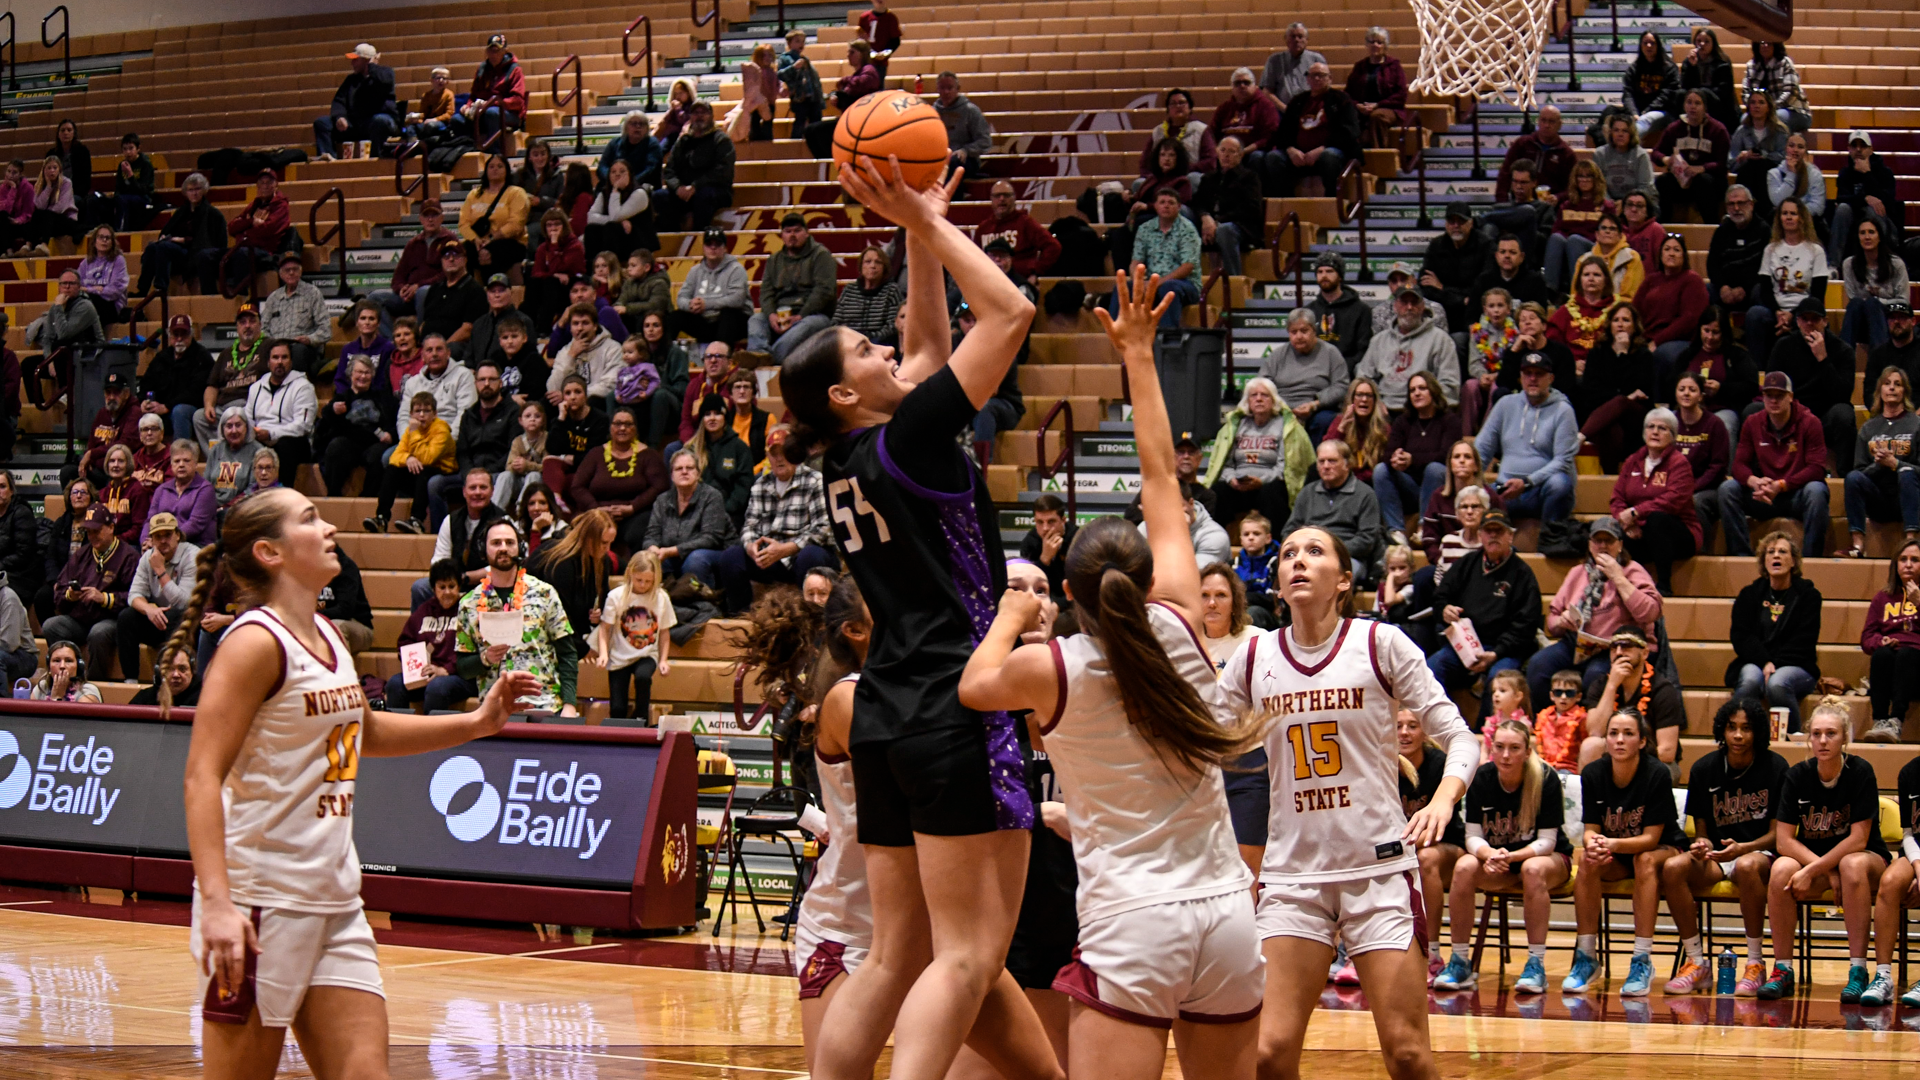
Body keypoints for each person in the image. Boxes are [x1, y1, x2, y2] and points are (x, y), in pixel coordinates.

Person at [781, 153, 1062, 1080]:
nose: (885, 349)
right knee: (971, 955)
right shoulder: (908, 439)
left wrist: (916, 229)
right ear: (844, 396)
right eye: (865, 353)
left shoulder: (847, 461)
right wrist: (930, 222)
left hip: (888, 711)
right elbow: (1011, 314)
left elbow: (931, 350)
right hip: (958, 706)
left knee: (897, 953)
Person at [959, 291, 1264, 1077]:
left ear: (1070, 593)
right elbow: (1162, 475)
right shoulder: (1186, 622)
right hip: (1228, 914)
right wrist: (1137, 353)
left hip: (1135, 922)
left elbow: (974, 685)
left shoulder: (1053, 666)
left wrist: (1009, 610)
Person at [182, 489, 538, 1071]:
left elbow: (364, 732)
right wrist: (218, 904)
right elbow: (201, 777)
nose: (327, 527)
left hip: (335, 898)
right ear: (270, 551)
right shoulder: (252, 643)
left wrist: (476, 723)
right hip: (258, 902)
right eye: (309, 518)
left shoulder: (328, 633)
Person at [1216, 514, 1475, 1080]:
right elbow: (1200, 744)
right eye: (1287, 554)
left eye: (1314, 551)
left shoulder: (1380, 643)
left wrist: (1441, 802)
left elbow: (1460, 737)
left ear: (1343, 579)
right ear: (1277, 581)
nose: (1298, 560)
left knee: (1407, 1054)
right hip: (1292, 876)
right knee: (1267, 1052)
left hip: (1378, 871)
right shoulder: (1255, 658)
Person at [1655, 696, 1791, 994]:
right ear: (1722, 730)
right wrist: (1701, 845)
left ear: (1758, 732)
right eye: (1732, 727)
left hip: (1760, 854)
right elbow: (1701, 830)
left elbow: (1779, 835)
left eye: (1746, 728)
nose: (1739, 735)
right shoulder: (1705, 768)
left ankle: (1755, 963)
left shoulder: (1776, 767)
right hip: (1719, 857)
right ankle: (1696, 962)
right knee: (1674, 867)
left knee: (1746, 865)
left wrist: (1743, 848)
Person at [1759, 699, 1889, 1001]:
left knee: (1851, 865)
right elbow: (1784, 841)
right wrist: (1825, 870)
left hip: (1867, 861)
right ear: (1808, 738)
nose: (1822, 740)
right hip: (1822, 864)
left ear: (1845, 737)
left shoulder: (1860, 772)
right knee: (1779, 869)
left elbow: (1858, 839)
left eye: (1831, 733)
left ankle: (1858, 970)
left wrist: (1820, 869)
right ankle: (1783, 969)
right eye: (1816, 734)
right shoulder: (1797, 775)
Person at [1432, 719, 1572, 993]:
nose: (1506, 755)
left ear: (1528, 751)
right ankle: (1460, 960)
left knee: (1532, 869)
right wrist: (1490, 854)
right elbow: (1471, 836)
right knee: (1463, 866)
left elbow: (1548, 841)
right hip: (1497, 861)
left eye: (1514, 748)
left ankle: (1536, 964)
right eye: (1500, 747)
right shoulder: (1479, 778)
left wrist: (1512, 856)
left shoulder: (1545, 778)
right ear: (1491, 748)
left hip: (1547, 859)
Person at [1562, 706, 1688, 995]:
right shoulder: (1593, 773)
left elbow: (1650, 838)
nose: (1619, 739)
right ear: (1605, 740)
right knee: (1588, 860)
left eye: (1628, 734)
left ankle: (1641, 959)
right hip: (1617, 851)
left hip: (1663, 848)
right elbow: (1591, 827)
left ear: (1642, 741)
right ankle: (1586, 957)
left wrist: (1612, 843)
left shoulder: (1656, 773)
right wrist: (1594, 842)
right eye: (1613, 733)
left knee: (1643, 860)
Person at [713, 426, 835, 614]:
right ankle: (742, 617)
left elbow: (825, 528)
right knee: (731, 557)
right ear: (768, 457)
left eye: (784, 452)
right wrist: (751, 547)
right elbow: (749, 526)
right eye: (774, 454)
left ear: (795, 454)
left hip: (802, 553)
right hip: (770, 557)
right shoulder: (761, 484)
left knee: (811, 555)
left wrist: (788, 548)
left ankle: (812, 619)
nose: (779, 458)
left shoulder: (814, 480)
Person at [1426, 507, 1540, 695]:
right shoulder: (1467, 563)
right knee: (1431, 670)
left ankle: (1487, 726)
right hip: (1464, 646)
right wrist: (1444, 609)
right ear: (1480, 535)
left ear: (1510, 536)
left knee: (1500, 683)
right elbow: (1440, 596)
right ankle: (1444, 723)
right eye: (1488, 531)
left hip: (1502, 650)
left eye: (1499, 531)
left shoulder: (1523, 575)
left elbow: (1526, 625)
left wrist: (1496, 653)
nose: (1493, 536)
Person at [1721, 369, 1832, 557]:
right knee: (1727, 489)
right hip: (1763, 495)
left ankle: (1811, 558)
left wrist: (1781, 485)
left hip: (1795, 494)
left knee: (1817, 491)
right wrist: (1755, 482)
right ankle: (1741, 556)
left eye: (1779, 395)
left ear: (1790, 397)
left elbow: (1816, 468)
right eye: (1768, 395)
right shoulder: (1752, 422)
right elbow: (1738, 465)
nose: (1773, 400)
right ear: (1762, 397)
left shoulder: (1810, 422)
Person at [1727, 530, 1823, 737]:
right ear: (1764, 561)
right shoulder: (1749, 594)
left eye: (1782, 552)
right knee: (1750, 680)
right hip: (1757, 662)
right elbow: (1741, 636)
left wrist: (1775, 663)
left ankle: (1795, 738)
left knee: (1777, 683)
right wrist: (1765, 661)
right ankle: (1737, 736)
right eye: (1770, 552)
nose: (1776, 556)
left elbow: (1804, 639)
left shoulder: (1808, 596)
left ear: (1793, 562)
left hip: (1797, 664)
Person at [1475, 352, 1578, 523]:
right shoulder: (1505, 404)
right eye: (1528, 374)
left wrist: (1528, 482)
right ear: (1520, 377)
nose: (1533, 379)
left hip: (1541, 490)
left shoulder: (1563, 410)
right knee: (1472, 496)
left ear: (1551, 378)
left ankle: (1550, 537)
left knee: (1560, 483)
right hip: (1505, 488)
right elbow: (1482, 448)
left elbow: (1563, 461)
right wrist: (1473, 482)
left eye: (1539, 374)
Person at [43, 503, 137, 679]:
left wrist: (104, 598)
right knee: (52, 626)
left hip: (110, 620)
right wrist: (71, 595)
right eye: (89, 532)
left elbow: (136, 596)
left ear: (110, 527)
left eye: (97, 530)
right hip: (80, 618)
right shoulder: (82, 554)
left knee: (98, 633)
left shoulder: (128, 556)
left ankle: (93, 684)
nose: (92, 536)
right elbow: (60, 589)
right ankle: (64, 678)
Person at [1612, 408, 1701, 594]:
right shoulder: (1633, 460)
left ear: (1673, 435)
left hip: (1678, 534)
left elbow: (1672, 501)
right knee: (1609, 528)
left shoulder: (1679, 463)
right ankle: (1622, 588)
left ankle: (1664, 586)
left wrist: (1636, 512)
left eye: (1662, 428)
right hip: (1639, 531)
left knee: (1657, 520)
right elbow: (1617, 498)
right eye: (1651, 427)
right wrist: (1627, 523)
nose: (1655, 432)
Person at [568, 406, 669, 553]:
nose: (622, 428)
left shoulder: (648, 455)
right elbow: (577, 487)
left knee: (640, 530)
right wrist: (596, 508)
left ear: (635, 428)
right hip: (597, 512)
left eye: (628, 424)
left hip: (636, 514)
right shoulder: (596, 454)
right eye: (617, 424)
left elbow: (660, 487)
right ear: (610, 428)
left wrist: (632, 507)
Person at [1844, 367, 1920, 559]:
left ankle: (1912, 541)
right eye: (1887, 384)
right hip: (1878, 498)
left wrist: (1896, 464)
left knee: (1906, 472)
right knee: (1851, 478)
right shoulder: (1869, 428)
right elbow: (1859, 473)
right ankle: (1858, 545)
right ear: (1880, 391)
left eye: (1897, 384)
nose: (1892, 388)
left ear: (1905, 392)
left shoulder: (1916, 424)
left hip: (1908, 497)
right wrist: (1879, 464)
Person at [1208, 377, 1301, 534]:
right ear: (1247, 401)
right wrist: (1232, 480)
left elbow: (1284, 466)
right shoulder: (1235, 426)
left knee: (1272, 492)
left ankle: (1277, 544)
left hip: (1267, 485)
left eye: (1264, 395)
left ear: (1274, 401)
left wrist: (1261, 481)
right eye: (1253, 395)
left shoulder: (1285, 427)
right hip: (1239, 485)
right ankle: (1217, 541)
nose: (1258, 399)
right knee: (1218, 491)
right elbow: (1225, 463)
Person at [1376, 372, 1460, 544]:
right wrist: (1395, 460)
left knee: (1434, 469)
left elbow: (1446, 456)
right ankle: (1397, 532)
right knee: (1380, 471)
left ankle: (1425, 527)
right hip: (1411, 488)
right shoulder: (1403, 421)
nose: (1416, 393)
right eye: (1412, 390)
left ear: (1433, 391)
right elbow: (1387, 454)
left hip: (1440, 487)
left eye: (1422, 388)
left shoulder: (1449, 420)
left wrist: (1412, 459)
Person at [116, 510, 199, 684]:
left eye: (167, 535)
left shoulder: (193, 556)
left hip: (188, 623)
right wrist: (149, 609)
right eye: (157, 536)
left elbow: (184, 602)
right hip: (159, 618)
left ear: (178, 535)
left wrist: (160, 571)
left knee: (177, 615)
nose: (163, 541)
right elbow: (134, 595)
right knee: (127, 617)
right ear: (151, 540)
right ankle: (130, 680)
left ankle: (170, 678)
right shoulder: (148, 557)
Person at [1284, 440, 1383, 584]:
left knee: (1336, 576)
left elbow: (1367, 539)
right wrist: (1305, 552)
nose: (1326, 466)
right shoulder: (1307, 493)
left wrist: (1330, 551)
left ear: (1347, 464)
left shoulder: (1365, 494)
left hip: (1347, 557)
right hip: (1307, 555)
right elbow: (1289, 531)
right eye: (1321, 461)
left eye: (1332, 461)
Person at [591, 551, 675, 721]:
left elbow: (665, 632)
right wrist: (604, 654)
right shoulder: (616, 596)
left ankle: (641, 719)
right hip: (619, 656)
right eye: (639, 580)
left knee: (643, 678)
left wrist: (663, 660)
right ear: (630, 574)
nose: (643, 585)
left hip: (646, 654)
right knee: (617, 708)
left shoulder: (661, 597)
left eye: (648, 581)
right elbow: (604, 628)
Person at [1745, 196, 1828, 365]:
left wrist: (1793, 314)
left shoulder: (1815, 250)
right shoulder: (1770, 249)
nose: (1789, 217)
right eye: (1784, 213)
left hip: (1805, 310)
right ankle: (1758, 372)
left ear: (1802, 218)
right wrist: (1779, 313)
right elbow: (1766, 289)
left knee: (1807, 320)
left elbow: (1818, 293)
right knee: (1754, 315)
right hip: (1775, 309)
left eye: (1793, 214)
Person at [383, 558, 471, 712]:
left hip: (459, 676)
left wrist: (447, 669)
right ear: (434, 588)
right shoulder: (424, 610)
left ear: (459, 586)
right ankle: (398, 734)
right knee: (394, 684)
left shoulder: (468, 609)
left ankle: (433, 735)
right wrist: (414, 666)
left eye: (452, 586)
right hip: (425, 675)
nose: (447, 592)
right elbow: (405, 641)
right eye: (441, 587)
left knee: (437, 687)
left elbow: (473, 649)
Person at [747, 214, 837, 363]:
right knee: (756, 319)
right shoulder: (774, 260)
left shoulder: (821, 255)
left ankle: (769, 360)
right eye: (788, 232)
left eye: (797, 231)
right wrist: (771, 315)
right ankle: (759, 352)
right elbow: (766, 293)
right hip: (780, 316)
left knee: (807, 325)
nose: (792, 235)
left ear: (806, 233)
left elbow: (823, 291)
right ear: (782, 235)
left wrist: (801, 315)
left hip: (813, 316)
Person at [1574, 301, 1655, 466]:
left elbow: (1645, 392)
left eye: (1626, 320)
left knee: (1620, 402)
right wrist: (1625, 396)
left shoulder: (1643, 355)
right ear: (1609, 325)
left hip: (1635, 417)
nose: (1620, 325)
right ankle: (1610, 482)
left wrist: (1623, 354)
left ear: (1634, 326)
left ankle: (1580, 437)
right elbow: (1591, 391)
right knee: (1611, 429)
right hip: (1602, 416)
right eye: (1616, 320)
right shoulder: (1597, 353)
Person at [1355, 287, 1460, 412]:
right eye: (1404, 302)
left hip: (1424, 411)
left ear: (1422, 307)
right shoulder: (1379, 340)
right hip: (1383, 410)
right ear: (1395, 306)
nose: (1409, 307)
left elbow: (1450, 385)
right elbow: (1364, 378)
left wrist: (1425, 405)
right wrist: (1376, 403)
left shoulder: (1441, 340)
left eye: (1414, 302)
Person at [365, 392, 454, 535]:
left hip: (440, 472)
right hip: (418, 472)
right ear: (411, 414)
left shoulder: (441, 430)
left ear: (435, 414)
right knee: (393, 469)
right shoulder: (410, 431)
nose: (422, 415)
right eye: (418, 411)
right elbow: (394, 457)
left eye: (427, 411)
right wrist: (407, 458)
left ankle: (417, 520)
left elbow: (428, 459)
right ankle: (381, 518)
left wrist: (414, 434)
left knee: (423, 470)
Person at [1268, 62, 1361, 198]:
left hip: (1330, 151)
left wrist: (1320, 150)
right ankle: (1285, 202)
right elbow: (1283, 131)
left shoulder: (1341, 99)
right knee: (1273, 158)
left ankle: (1333, 202)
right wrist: (1291, 150)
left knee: (1329, 156)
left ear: (1330, 78)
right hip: (1299, 155)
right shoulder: (1297, 101)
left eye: (1321, 75)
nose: (1317, 79)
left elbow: (1349, 132)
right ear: (1307, 79)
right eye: (1313, 75)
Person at [1111, 189, 1200, 328]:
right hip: (1151, 282)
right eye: (1162, 202)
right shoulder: (1145, 229)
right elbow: (1136, 261)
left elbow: (1187, 266)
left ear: (1178, 207)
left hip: (1185, 284)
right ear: (1156, 206)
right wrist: (1138, 282)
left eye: (1171, 203)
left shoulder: (1187, 229)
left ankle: (1166, 338)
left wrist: (1157, 283)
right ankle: (1114, 332)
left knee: (1169, 288)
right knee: (1123, 288)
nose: (1166, 206)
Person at [641, 449, 735, 580]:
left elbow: (711, 538)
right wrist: (653, 549)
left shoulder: (712, 496)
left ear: (698, 473)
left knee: (695, 560)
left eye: (689, 468)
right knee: (650, 560)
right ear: (672, 476)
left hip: (716, 553)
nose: (684, 472)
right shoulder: (662, 500)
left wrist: (672, 551)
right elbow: (651, 534)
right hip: (673, 555)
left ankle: (703, 599)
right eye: (679, 469)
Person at [1257, 309, 1346, 445]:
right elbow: (1262, 384)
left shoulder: (1330, 353)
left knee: (1324, 421)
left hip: (1318, 410)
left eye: (1304, 331)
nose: (1299, 336)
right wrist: (1282, 408)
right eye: (1294, 332)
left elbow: (1342, 386)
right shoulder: (1278, 355)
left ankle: (1317, 464)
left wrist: (1315, 404)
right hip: (1282, 409)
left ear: (1314, 331)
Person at [366, 200, 455, 332]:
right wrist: (402, 288)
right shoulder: (413, 244)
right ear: (420, 219)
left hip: (436, 295)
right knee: (374, 297)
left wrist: (418, 286)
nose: (430, 219)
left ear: (442, 217)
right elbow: (398, 277)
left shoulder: (449, 240)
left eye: (434, 215)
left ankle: (420, 336)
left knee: (422, 292)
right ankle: (392, 339)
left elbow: (448, 273)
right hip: (410, 297)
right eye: (426, 216)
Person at [1863, 540, 1920, 744]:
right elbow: (1867, 637)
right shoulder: (1882, 598)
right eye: (1903, 559)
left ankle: (1896, 720)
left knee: (1907, 653)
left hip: (1915, 666)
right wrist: (1881, 640)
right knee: (1882, 654)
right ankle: (1880, 721)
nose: (1908, 564)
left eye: (1915, 560)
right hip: (1892, 668)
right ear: (1895, 565)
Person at [1638, 233, 1711, 381]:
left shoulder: (1692, 280)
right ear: (1660, 254)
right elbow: (1635, 309)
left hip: (1680, 341)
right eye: (1667, 249)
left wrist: (1657, 342)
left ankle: (1659, 401)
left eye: (1677, 250)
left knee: (1662, 354)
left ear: (1684, 255)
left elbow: (1689, 320)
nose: (1671, 253)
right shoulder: (1651, 279)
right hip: (1647, 337)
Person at [1840, 214, 1910, 365]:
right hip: (1859, 321)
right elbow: (1853, 298)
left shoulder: (1896, 264)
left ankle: (1882, 363)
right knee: (1856, 304)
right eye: (1862, 233)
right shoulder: (1849, 264)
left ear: (1879, 236)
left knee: (1872, 304)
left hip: (1887, 319)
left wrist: (1879, 300)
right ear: (1857, 237)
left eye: (1871, 232)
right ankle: (1844, 361)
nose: (1867, 237)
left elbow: (1904, 301)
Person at [1651, 91, 1730, 224]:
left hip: (1710, 181)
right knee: (1663, 181)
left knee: (1702, 181)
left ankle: (1711, 225)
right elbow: (1656, 152)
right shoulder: (1674, 128)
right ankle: (1664, 225)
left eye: (1697, 103)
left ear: (1705, 107)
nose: (1692, 107)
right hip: (1682, 181)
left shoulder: (1718, 130)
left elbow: (1722, 164)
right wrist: (1666, 160)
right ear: (1684, 106)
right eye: (1689, 102)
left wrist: (1702, 168)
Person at [242, 340, 317, 478]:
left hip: (292, 443)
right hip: (260, 439)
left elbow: (303, 426)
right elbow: (247, 419)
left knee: (285, 445)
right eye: (275, 357)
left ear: (291, 361)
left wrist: (271, 434)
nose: (280, 362)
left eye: (284, 357)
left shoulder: (303, 387)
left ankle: (282, 491)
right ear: (268, 362)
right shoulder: (255, 388)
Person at [657, 102, 735, 232]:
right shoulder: (683, 141)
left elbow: (722, 171)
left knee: (703, 196)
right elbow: (670, 170)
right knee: (659, 197)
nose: (699, 116)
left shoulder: (721, 140)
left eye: (703, 113)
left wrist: (695, 186)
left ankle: (698, 239)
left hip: (715, 191)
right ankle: (673, 241)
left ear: (711, 116)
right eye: (695, 113)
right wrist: (677, 187)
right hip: (684, 192)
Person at [1418, 203, 1494, 332]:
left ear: (1471, 223)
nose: (1456, 226)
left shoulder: (1485, 245)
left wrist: (1442, 288)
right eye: (1451, 221)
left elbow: (1483, 289)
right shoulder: (1436, 246)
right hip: (1441, 312)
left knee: (1459, 340)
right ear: (1446, 224)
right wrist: (1460, 299)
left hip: (1474, 315)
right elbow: (1426, 285)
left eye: (1461, 221)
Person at [314, 42, 398, 159]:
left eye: (356, 60)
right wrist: (339, 117)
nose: (352, 63)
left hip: (378, 121)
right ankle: (327, 156)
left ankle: (376, 157)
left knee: (380, 121)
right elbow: (339, 100)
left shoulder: (385, 73)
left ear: (366, 60)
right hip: (356, 123)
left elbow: (384, 82)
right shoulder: (351, 80)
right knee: (322, 123)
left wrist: (372, 66)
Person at [673, 228, 751, 345]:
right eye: (709, 244)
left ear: (725, 248)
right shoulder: (695, 271)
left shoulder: (736, 269)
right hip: (706, 322)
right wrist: (691, 305)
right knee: (675, 316)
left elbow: (737, 300)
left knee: (728, 314)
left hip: (734, 323)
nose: (713, 248)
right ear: (704, 248)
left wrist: (706, 304)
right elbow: (681, 298)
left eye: (718, 244)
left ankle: (722, 356)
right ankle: (662, 359)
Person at [460, 153, 532, 272]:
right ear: (486, 170)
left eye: (500, 166)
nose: (495, 169)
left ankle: (496, 289)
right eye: (491, 166)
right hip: (479, 241)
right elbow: (464, 223)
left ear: (507, 170)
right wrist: (475, 239)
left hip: (509, 242)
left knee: (494, 251)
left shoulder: (516, 193)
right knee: (462, 252)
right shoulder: (474, 194)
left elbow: (516, 224)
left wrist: (491, 239)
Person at [400, 333, 478, 441]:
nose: (434, 354)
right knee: (389, 456)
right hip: (417, 440)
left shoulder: (463, 376)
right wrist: (410, 441)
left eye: (439, 349)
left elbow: (465, 415)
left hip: (451, 441)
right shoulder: (412, 383)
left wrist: (442, 442)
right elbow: (403, 417)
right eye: (429, 350)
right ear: (422, 356)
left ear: (448, 353)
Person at [1495, 103, 1575, 204]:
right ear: (1538, 121)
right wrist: (1502, 202)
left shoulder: (1566, 154)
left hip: (1549, 207)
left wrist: (1558, 198)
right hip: (1519, 203)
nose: (1547, 125)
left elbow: (1572, 188)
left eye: (1551, 121)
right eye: (1543, 120)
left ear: (1560, 125)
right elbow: (1505, 174)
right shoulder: (1522, 144)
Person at [1304, 252, 1372, 366]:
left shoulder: (1361, 310)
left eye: (1329, 271)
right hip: (1314, 373)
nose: (1324, 276)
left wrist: (1341, 369)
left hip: (1349, 373)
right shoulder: (1308, 311)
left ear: (1340, 276)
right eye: (1320, 272)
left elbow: (1363, 351)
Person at [1209, 67, 1279, 173]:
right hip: (1228, 151)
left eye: (1246, 82)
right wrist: (1220, 151)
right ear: (1232, 87)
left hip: (1253, 151)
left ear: (1255, 86)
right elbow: (1211, 133)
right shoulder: (1224, 108)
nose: (1242, 86)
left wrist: (1243, 151)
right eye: (1237, 83)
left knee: (1257, 157)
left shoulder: (1266, 106)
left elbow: (1270, 136)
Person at [148, 439, 217, 546]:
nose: (181, 465)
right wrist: (146, 540)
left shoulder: (205, 489)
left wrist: (167, 540)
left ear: (195, 464)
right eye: (176, 461)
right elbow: (150, 520)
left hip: (195, 545)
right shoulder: (162, 489)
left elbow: (195, 524)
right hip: (164, 543)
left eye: (186, 460)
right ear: (171, 464)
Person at [1729, 92, 1790, 210]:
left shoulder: (1779, 130)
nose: (1756, 106)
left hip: (1771, 174)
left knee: (1762, 166)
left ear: (1768, 107)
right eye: (1753, 102)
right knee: (1751, 166)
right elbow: (1731, 162)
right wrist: (1744, 157)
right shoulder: (1742, 131)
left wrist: (1765, 155)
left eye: (1761, 102)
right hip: (1748, 174)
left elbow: (1784, 158)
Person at [1623, 29, 1682, 140]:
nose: (1649, 46)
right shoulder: (1634, 69)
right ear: (1641, 46)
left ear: (1658, 45)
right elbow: (1627, 94)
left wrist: (1646, 111)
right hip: (1638, 113)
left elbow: (1666, 96)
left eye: (1652, 43)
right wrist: (1634, 113)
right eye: (1645, 43)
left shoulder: (1669, 68)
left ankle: (1626, 146)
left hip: (1663, 113)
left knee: (1646, 119)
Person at [931, 72, 991, 177]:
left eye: (950, 88)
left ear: (957, 89)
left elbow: (985, 140)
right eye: (942, 88)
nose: (946, 92)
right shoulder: (932, 112)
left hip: (965, 160)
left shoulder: (970, 111)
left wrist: (966, 150)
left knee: (953, 164)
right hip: (940, 159)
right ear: (937, 89)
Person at [1745, 40, 1811, 134]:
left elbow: (1790, 93)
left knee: (1776, 118)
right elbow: (1746, 93)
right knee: (1744, 119)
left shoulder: (1785, 63)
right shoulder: (1751, 66)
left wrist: (1769, 109)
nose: (1765, 46)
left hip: (1794, 111)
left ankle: (1777, 148)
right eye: (1762, 43)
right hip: (1763, 111)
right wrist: (1755, 106)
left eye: (1769, 43)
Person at [76, 225, 129, 330]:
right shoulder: (86, 263)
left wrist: (88, 289)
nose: (104, 240)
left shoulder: (118, 260)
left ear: (112, 242)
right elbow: (77, 287)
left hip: (111, 306)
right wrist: (96, 289)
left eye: (108, 238)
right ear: (94, 241)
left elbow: (114, 291)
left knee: (89, 305)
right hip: (90, 303)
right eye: (101, 237)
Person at [1594, 113, 1654, 203]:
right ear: (1611, 132)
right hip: (1608, 203)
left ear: (1631, 133)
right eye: (1616, 130)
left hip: (1636, 203)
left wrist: (1626, 204)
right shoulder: (1600, 154)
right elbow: (1598, 186)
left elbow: (1645, 187)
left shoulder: (1641, 155)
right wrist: (1610, 204)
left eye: (1625, 131)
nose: (1620, 134)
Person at [1867, 302, 1919, 401]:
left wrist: (1914, 415)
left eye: (1902, 317)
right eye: (1892, 318)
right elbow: (1869, 392)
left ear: (1913, 321)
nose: (1896, 321)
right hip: (1886, 412)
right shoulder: (1877, 354)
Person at [779, 30, 824, 133]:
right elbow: (781, 75)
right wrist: (793, 67)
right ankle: (795, 145)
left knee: (816, 123)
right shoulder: (785, 58)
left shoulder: (805, 59)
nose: (801, 44)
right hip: (799, 97)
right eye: (797, 41)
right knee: (800, 122)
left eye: (803, 41)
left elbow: (813, 78)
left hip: (812, 96)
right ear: (789, 43)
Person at [130, 641, 198, 708]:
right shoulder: (145, 699)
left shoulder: (203, 699)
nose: (176, 675)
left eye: (182, 669)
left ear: (192, 671)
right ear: (158, 672)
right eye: (169, 669)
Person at [30, 640, 100, 703]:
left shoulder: (88, 691)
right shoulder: (42, 688)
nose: (62, 666)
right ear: (49, 667)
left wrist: (57, 697)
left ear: (79, 666)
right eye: (56, 661)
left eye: (68, 661)